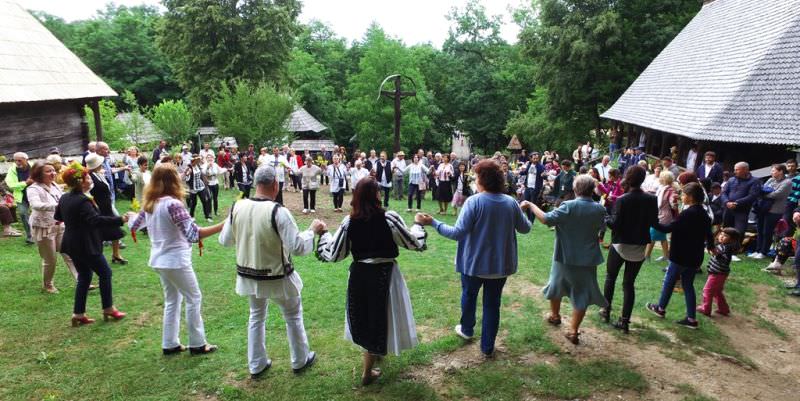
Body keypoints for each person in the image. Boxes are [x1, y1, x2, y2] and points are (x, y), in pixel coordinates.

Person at [317, 178, 428, 385]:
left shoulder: (350, 222)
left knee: (366, 316)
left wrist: (324, 234)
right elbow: (413, 243)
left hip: (361, 276)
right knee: (384, 315)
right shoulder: (389, 218)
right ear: (377, 194)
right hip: (386, 276)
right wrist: (418, 224)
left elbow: (334, 254)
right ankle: (367, 372)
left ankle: (370, 364)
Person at [418, 160, 532, 356]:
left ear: (482, 180)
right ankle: (487, 348)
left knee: (469, 297)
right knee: (492, 304)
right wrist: (527, 211)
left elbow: (457, 233)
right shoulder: (510, 203)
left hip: (474, 265)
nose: (474, 180)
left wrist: (433, 222)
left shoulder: (474, 202)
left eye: (476, 176)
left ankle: (467, 329)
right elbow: (525, 228)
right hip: (499, 267)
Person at [219, 165, 322, 379]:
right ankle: (300, 359)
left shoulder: (237, 206)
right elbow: (298, 247)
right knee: (293, 315)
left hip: (249, 275)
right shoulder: (278, 211)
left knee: (256, 316)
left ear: (257, 184)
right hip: (277, 277)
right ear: (275, 185)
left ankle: (256, 364)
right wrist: (312, 231)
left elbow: (224, 240)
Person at [129, 164, 223, 356]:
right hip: (175, 260)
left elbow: (135, 225)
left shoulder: (151, 203)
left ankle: (170, 343)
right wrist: (225, 224)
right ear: (174, 181)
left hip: (159, 259)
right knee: (193, 297)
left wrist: (128, 216)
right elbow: (194, 235)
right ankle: (197, 344)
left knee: (172, 300)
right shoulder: (173, 204)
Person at [529, 175, 608, 344]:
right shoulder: (600, 209)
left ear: (575, 188)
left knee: (556, 285)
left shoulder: (569, 206)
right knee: (582, 293)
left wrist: (530, 205)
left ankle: (555, 316)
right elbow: (602, 228)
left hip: (564, 256)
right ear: (592, 189)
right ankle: (573, 330)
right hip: (588, 259)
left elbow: (546, 219)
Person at [55, 162, 127, 327]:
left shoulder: (65, 197)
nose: (90, 179)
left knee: (85, 276)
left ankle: (78, 313)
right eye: (87, 176)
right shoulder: (82, 200)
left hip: (71, 243)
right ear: (81, 181)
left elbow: (58, 216)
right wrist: (120, 219)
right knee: (105, 273)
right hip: (85, 243)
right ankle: (108, 308)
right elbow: (95, 220)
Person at [646, 182, 714, 329]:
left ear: (689, 197)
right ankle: (691, 319)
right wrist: (712, 246)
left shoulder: (687, 214)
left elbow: (668, 228)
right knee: (688, 285)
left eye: (683, 194)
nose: (681, 196)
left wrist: (651, 221)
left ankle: (660, 308)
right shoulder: (704, 213)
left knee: (669, 282)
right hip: (695, 256)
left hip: (681, 255)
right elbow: (709, 234)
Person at [600, 166, 658, 333]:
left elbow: (614, 224)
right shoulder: (651, 199)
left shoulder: (623, 199)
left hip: (620, 245)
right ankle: (624, 322)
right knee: (629, 285)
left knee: (610, 278)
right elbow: (655, 223)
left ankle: (606, 311)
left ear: (628, 178)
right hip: (639, 246)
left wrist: (604, 214)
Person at [27, 162, 79, 293]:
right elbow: (35, 205)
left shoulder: (55, 185)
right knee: (50, 259)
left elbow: (63, 198)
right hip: (43, 227)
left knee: (69, 253)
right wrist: (57, 206)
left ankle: (81, 280)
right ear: (38, 174)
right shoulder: (33, 188)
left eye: (53, 170)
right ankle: (48, 284)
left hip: (59, 225)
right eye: (48, 171)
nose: (53, 173)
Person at [85, 154, 127, 265]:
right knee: (100, 234)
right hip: (99, 209)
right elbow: (87, 193)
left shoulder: (99, 174)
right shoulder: (90, 177)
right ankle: (99, 259)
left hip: (107, 207)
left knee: (115, 231)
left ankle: (116, 254)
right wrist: (94, 205)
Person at [697, 228, 740, 317]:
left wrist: (714, 250)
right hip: (720, 273)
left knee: (707, 291)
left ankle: (705, 309)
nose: (721, 236)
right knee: (717, 291)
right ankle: (723, 309)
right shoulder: (723, 246)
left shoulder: (726, 248)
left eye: (725, 236)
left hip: (717, 274)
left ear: (731, 240)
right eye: (721, 234)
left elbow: (720, 255)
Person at [752, 164, 791, 259]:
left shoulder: (787, 182)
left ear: (781, 171)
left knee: (767, 231)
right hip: (763, 208)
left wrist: (764, 195)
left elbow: (777, 194)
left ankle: (764, 252)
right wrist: (765, 193)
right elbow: (762, 189)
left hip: (775, 210)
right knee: (760, 229)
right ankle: (758, 250)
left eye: (774, 171)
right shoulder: (770, 180)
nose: (771, 172)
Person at [645, 171, 678, 263]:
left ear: (665, 179)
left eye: (661, 177)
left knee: (652, 235)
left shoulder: (670, 190)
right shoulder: (662, 188)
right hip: (659, 213)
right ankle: (666, 256)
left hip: (664, 215)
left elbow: (673, 203)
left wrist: (674, 202)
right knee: (662, 236)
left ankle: (646, 256)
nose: (659, 178)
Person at [721, 162, 761, 234]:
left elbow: (752, 196)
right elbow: (723, 193)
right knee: (726, 231)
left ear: (745, 170)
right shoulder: (731, 179)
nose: (734, 171)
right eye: (734, 169)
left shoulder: (754, 181)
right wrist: (726, 202)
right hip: (728, 209)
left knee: (739, 232)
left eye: (737, 170)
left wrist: (736, 203)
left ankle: (737, 245)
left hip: (742, 211)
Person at [5, 152, 33, 244]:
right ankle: (30, 236)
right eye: (15, 160)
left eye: (19, 160)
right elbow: (11, 185)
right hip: (21, 196)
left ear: (26, 160)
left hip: (35, 195)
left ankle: (44, 235)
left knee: (39, 214)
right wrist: (25, 183)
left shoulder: (34, 167)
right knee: (23, 214)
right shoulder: (12, 170)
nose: (17, 162)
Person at [184, 155, 212, 222]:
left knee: (204, 201)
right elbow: (186, 176)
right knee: (194, 203)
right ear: (193, 160)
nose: (198, 161)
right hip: (193, 188)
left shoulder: (197, 166)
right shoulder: (189, 167)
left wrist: (205, 180)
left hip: (200, 186)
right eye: (197, 160)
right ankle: (191, 216)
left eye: (198, 160)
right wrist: (187, 173)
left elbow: (201, 174)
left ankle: (207, 216)